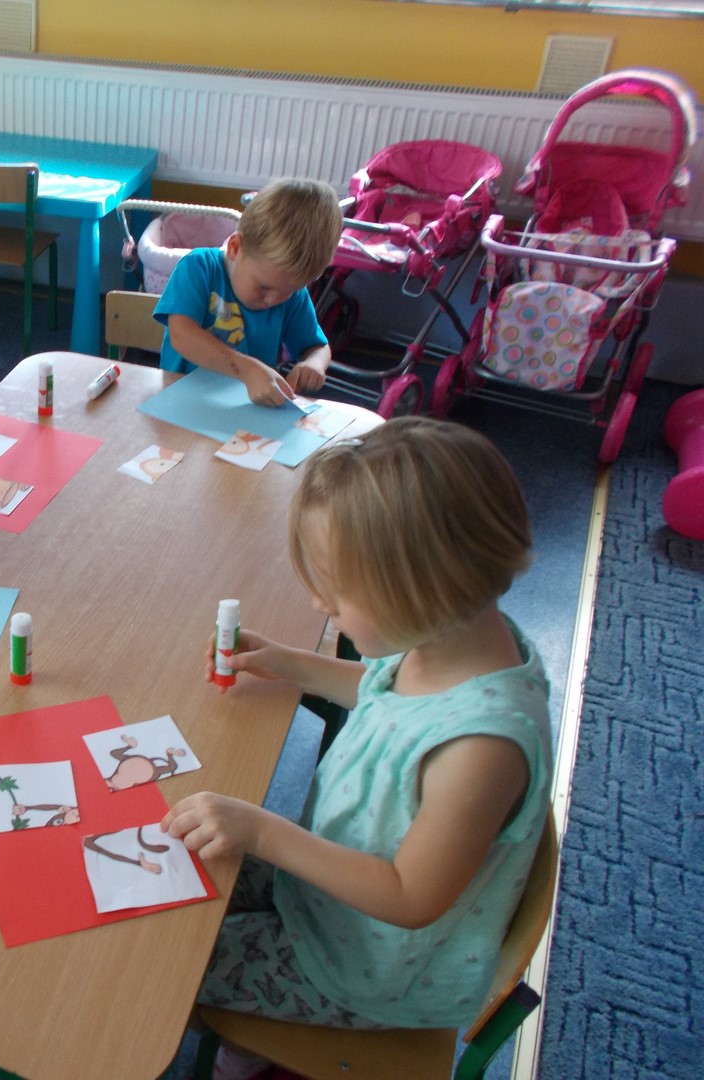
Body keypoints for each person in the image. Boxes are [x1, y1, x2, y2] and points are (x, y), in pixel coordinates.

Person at [163, 418, 553, 1076]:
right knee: (176, 876)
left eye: (336, 593)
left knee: (172, 968)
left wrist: (261, 830)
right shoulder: (452, 637)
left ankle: (246, 1054)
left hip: (366, 966)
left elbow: (409, 897)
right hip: (332, 887)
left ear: (422, 590)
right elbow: (383, 693)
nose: (320, 603)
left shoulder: (482, 750)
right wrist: (290, 663)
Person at [154, 178, 342, 407]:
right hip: (180, 401)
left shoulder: (293, 296)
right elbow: (182, 336)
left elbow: (318, 347)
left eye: (288, 291)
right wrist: (247, 369)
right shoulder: (199, 268)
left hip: (247, 408)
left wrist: (314, 364)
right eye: (264, 286)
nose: (273, 299)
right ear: (235, 247)